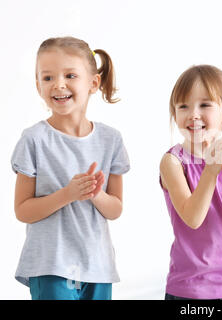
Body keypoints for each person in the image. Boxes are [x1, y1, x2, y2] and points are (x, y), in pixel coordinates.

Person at [11, 36, 130, 300]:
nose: (59, 84)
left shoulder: (111, 139)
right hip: (50, 265)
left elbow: (116, 209)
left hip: (98, 266)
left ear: (93, 83)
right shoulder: (33, 139)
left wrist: (95, 193)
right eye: (48, 77)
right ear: (38, 85)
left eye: (70, 75)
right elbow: (22, 210)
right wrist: (68, 194)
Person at [159, 65, 222, 299]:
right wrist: (211, 171)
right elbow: (193, 218)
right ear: (175, 114)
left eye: (205, 105)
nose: (193, 114)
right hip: (189, 288)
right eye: (183, 106)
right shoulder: (172, 162)